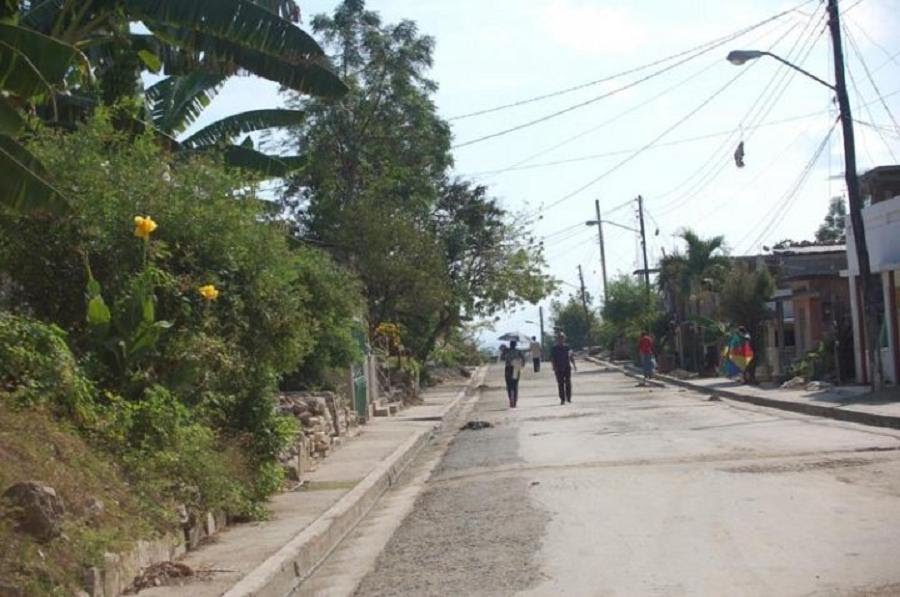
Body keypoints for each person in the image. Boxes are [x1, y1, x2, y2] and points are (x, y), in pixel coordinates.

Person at [551, 333, 576, 404]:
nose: (561, 339)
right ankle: (562, 399)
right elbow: (553, 358)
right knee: (560, 383)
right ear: (557, 339)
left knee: (568, 383)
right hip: (558, 368)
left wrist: (574, 365)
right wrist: (553, 367)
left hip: (567, 367)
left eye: (562, 338)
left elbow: (571, 356)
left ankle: (569, 398)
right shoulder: (554, 348)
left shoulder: (567, 347)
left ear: (564, 339)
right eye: (559, 338)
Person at [503, 340, 526, 408]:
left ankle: (511, 399)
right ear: (515, 345)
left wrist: (504, 351)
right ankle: (515, 401)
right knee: (515, 384)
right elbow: (523, 359)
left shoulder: (507, 351)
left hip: (508, 368)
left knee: (509, 385)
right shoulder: (518, 351)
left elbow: (502, 358)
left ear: (510, 345)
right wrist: (522, 365)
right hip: (516, 367)